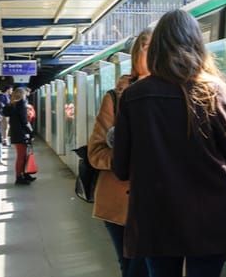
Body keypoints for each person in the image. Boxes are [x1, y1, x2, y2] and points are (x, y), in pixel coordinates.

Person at [113, 10, 226, 277]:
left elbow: (121, 168)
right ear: (197, 44)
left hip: (155, 218)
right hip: (209, 217)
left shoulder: (133, 96)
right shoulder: (213, 91)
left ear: (156, 48)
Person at [88, 28, 152, 277]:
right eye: (146, 47)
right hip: (121, 202)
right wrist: (126, 160)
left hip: (160, 202)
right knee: (133, 267)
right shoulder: (115, 98)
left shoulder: (176, 94)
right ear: (136, 55)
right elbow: (95, 152)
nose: (153, 53)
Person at [8, 87, 34, 185]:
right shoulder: (21, 104)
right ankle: (19, 177)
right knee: (21, 156)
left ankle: (23, 174)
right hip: (21, 134)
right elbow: (24, 121)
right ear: (22, 94)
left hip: (16, 133)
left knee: (22, 156)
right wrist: (31, 132)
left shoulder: (12, 105)